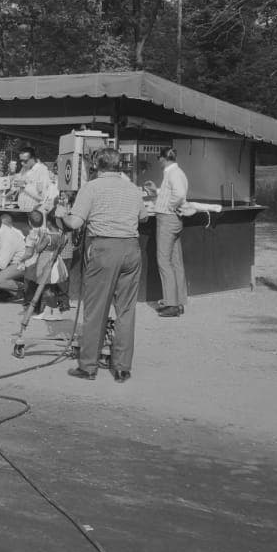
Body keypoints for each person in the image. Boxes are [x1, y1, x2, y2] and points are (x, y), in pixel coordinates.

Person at [60, 147, 151, 383]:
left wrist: (61, 214)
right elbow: (144, 217)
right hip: (131, 248)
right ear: (119, 165)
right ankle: (122, 368)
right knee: (126, 310)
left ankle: (88, 366)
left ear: (95, 165)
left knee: (96, 310)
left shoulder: (90, 188)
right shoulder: (132, 188)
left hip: (104, 248)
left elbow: (75, 222)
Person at [153, 147, 189, 318]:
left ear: (162, 159)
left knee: (164, 261)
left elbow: (179, 194)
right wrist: (158, 192)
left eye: (158, 159)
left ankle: (171, 304)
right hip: (174, 220)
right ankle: (179, 301)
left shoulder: (172, 173)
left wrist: (170, 206)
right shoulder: (176, 172)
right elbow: (174, 192)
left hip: (167, 219)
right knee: (175, 261)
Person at [14, 145, 54, 213]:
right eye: (21, 161)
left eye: (25, 161)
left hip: (34, 212)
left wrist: (25, 186)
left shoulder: (42, 170)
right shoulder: (25, 169)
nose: (22, 163)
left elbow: (42, 196)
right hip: (22, 210)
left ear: (33, 158)